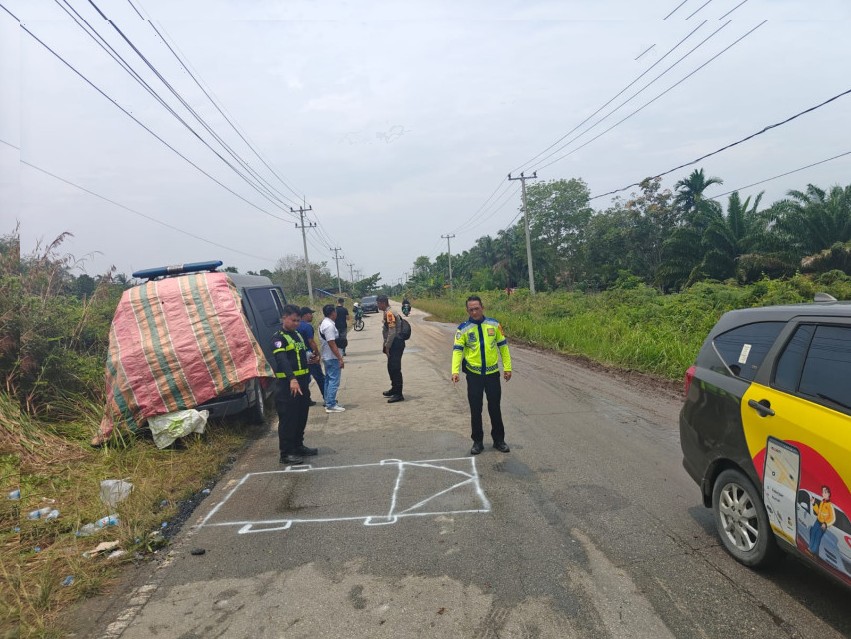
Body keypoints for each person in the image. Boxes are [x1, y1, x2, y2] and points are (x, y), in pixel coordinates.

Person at [451, 295, 512, 455]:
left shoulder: (494, 324)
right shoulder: (463, 329)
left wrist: (508, 368)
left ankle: (499, 440)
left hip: (492, 374)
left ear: (482, 308)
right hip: (474, 375)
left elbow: (503, 347)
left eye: (476, 308)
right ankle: (477, 442)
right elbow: (457, 351)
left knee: (495, 407)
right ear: (467, 310)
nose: (474, 312)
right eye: (471, 309)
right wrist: (455, 371)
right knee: (475, 409)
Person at [272, 304, 316, 464]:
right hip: (287, 385)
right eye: (293, 320)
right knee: (288, 419)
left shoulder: (297, 335)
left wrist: (310, 359)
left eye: (298, 320)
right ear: (284, 318)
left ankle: (298, 446)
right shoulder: (278, 338)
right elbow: (282, 360)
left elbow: (301, 354)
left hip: (303, 383)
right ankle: (286, 453)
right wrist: (292, 379)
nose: (296, 323)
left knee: (301, 416)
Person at [377, 294, 404, 403]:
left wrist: (387, 346)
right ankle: (394, 388)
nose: (377, 305)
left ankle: (398, 394)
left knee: (395, 368)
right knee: (391, 367)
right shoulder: (388, 312)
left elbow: (392, 332)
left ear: (383, 303)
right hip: (394, 343)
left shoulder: (389, 313)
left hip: (396, 344)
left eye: (378, 303)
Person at [319, 304, 346, 412]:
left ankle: (328, 401)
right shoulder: (329, 326)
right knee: (334, 381)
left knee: (328, 380)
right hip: (332, 357)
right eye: (335, 311)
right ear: (332, 313)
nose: (336, 313)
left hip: (327, 356)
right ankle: (331, 404)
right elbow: (331, 343)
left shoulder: (324, 323)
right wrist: (339, 358)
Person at [297, 307, 325, 407]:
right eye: (310, 313)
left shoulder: (295, 326)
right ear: (304, 315)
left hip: (299, 357)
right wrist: (317, 354)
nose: (312, 315)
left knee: (304, 380)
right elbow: (311, 342)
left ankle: (305, 400)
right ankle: (327, 398)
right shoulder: (307, 327)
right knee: (320, 377)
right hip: (310, 356)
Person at [808, 485, 836, 556]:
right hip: (817, 521)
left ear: (829, 494)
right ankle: (810, 548)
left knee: (817, 537)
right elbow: (818, 512)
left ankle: (813, 551)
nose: (823, 493)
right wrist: (814, 503)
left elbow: (833, 518)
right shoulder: (822, 502)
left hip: (823, 525)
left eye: (825, 492)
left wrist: (826, 524)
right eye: (823, 492)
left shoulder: (830, 506)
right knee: (813, 533)